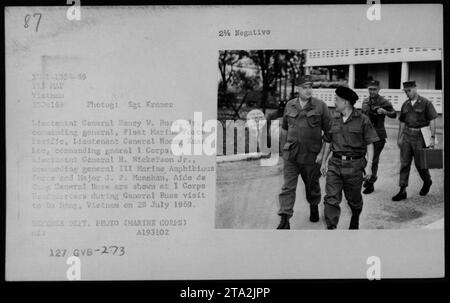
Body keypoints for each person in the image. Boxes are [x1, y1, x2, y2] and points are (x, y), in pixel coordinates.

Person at [277, 75, 331, 229]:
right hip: (292, 155)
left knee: (312, 185)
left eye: (310, 87)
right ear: (298, 89)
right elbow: (285, 129)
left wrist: (322, 155)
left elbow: (329, 132)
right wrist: (283, 151)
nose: (309, 90)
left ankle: (314, 205)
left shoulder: (321, 106)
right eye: (305, 87)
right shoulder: (290, 105)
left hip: (311, 156)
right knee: (288, 187)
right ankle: (285, 219)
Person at [321, 86, 379, 230]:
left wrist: (369, 165)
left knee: (353, 199)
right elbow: (328, 141)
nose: (334, 102)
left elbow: (370, 143)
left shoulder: (362, 120)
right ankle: (331, 227)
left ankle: (355, 215)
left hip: (354, 166)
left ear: (346, 102)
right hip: (335, 164)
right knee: (331, 198)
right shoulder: (333, 119)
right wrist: (323, 162)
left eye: (337, 99)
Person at [392, 80, 438, 201]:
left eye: (409, 90)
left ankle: (427, 181)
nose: (408, 93)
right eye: (406, 91)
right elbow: (402, 122)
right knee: (404, 163)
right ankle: (402, 190)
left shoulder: (426, 103)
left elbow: (432, 120)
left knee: (420, 164)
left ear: (415, 88)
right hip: (407, 135)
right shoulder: (405, 105)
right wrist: (399, 137)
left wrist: (432, 138)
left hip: (420, 136)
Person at [361, 80, 397, 194]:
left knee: (374, 160)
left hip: (378, 135)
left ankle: (371, 182)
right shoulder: (365, 101)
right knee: (360, 156)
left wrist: (385, 111)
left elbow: (394, 114)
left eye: (374, 89)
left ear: (378, 89)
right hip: (365, 134)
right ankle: (368, 176)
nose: (372, 91)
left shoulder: (383, 101)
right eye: (370, 89)